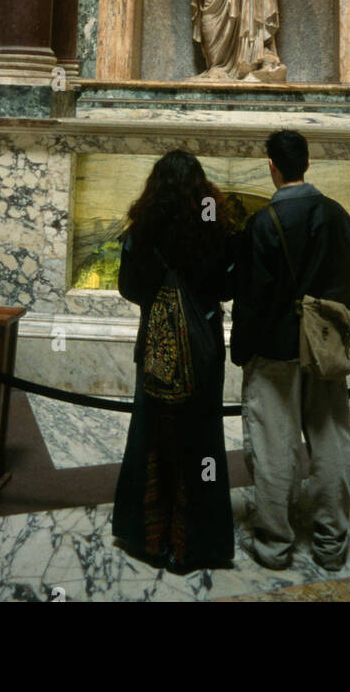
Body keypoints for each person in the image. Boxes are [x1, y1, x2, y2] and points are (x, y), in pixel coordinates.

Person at [231, 129, 350, 571]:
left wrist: (242, 348)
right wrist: (336, 334)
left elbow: (247, 296)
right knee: (331, 441)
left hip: (273, 349)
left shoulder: (261, 223)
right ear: (306, 163)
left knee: (273, 446)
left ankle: (274, 543)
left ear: (272, 166)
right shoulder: (337, 216)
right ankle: (331, 541)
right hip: (323, 348)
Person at [112, 149, 236, 571]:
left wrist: (158, 294)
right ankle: (195, 543)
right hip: (202, 349)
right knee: (201, 442)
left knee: (151, 438)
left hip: (157, 347)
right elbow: (225, 287)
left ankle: (148, 536)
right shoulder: (212, 225)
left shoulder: (143, 227)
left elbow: (127, 287)